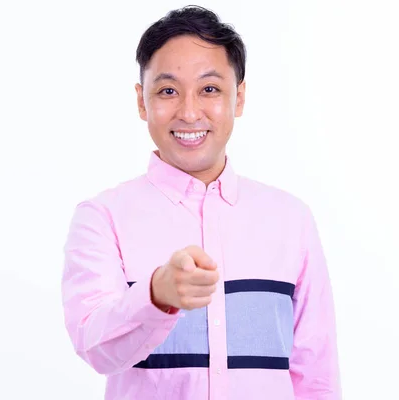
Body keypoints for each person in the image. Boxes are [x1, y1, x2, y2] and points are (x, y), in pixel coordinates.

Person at [61, 5, 341, 399]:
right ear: (142, 102)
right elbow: (95, 348)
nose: (190, 112)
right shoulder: (102, 217)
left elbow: (316, 376)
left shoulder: (291, 219)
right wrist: (156, 295)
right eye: (168, 91)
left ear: (238, 98)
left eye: (209, 89)